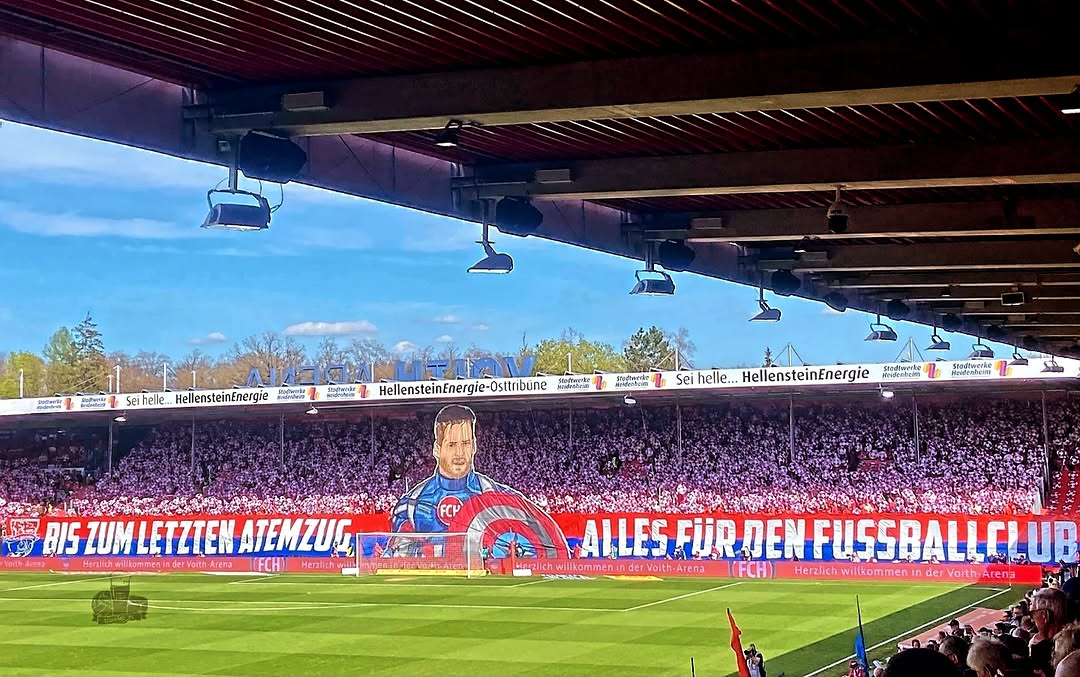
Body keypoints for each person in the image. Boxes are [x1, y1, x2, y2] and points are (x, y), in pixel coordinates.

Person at [389, 405, 568, 557]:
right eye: (452, 445)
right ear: (437, 449)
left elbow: (540, 540)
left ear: (474, 445)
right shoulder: (410, 505)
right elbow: (396, 556)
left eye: (466, 443)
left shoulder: (500, 496)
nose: (460, 453)